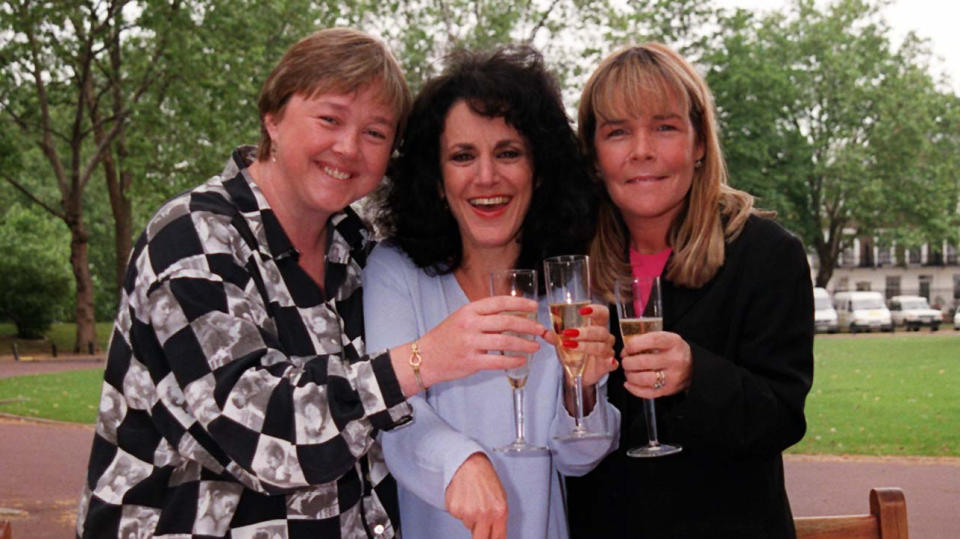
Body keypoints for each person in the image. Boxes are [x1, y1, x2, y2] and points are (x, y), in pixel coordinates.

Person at [76, 28, 546, 538]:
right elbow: (263, 439)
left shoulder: (358, 250)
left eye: (375, 132)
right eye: (330, 119)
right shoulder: (193, 239)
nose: (348, 148)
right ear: (272, 117)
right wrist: (421, 360)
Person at [364, 46, 621, 539]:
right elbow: (393, 416)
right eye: (463, 156)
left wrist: (582, 388)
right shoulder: (395, 271)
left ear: (538, 171)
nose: (487, 177)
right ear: (437, 180)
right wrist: (463, 461)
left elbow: (581, 458)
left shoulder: (569, 283)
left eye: (508, 153)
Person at [565, 42, 815, 538]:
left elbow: (782, 418)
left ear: (700, 143)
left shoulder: (767, 255)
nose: (642, 150)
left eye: (664, 126)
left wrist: (696, 376)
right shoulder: (569, 265)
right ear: (594, 155)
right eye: (617, 132)